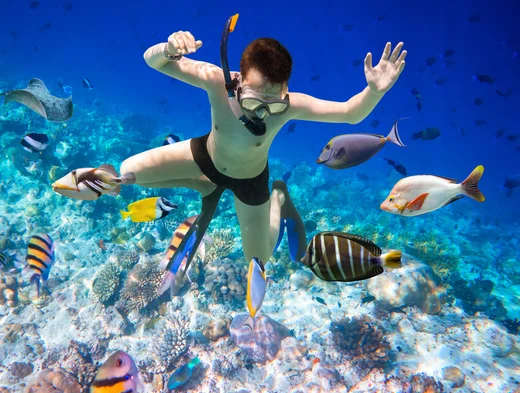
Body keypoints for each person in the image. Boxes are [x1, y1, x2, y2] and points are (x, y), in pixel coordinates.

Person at [119, 15, 407, 277]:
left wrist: (374, 91)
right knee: (126, 172)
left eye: (273, 103)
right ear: (238, 80)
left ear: (285, 91)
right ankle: (204, 183)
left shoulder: (292, 105)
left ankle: (278, 199)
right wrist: (168, 49)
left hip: (251, 180)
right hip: (204, 157)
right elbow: (152, 61)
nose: (260, 113)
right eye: (253, 102)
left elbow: (350, 113)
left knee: (258, 258)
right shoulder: (216, 80)